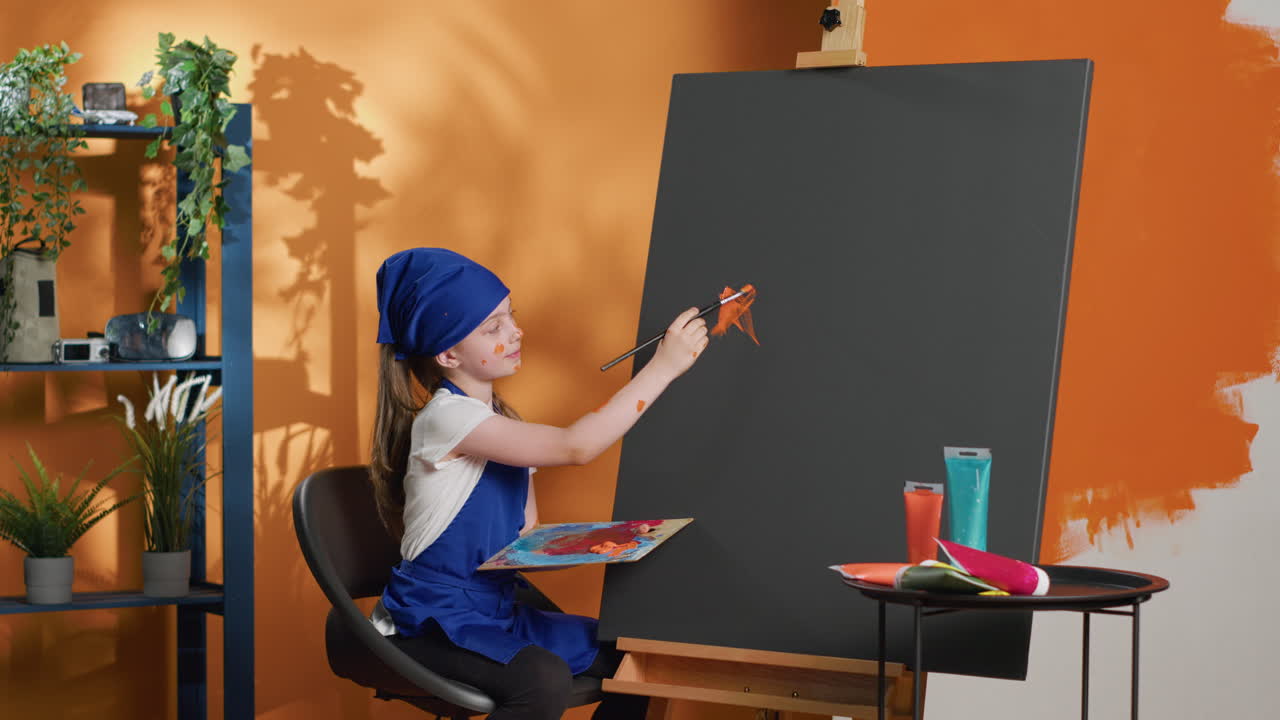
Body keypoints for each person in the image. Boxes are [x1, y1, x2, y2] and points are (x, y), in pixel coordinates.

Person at [367, 247, 708, 720]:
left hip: (496, 610)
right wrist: (664, 366)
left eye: (511, 316)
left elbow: (523, 538)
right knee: (540, 678)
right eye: (493, 327)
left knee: (631, 657)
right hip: (433, 620)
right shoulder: (445, 419)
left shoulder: (502, 421)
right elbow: (576, 446)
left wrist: (599, 545)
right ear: (448, 354)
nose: (515, 332)